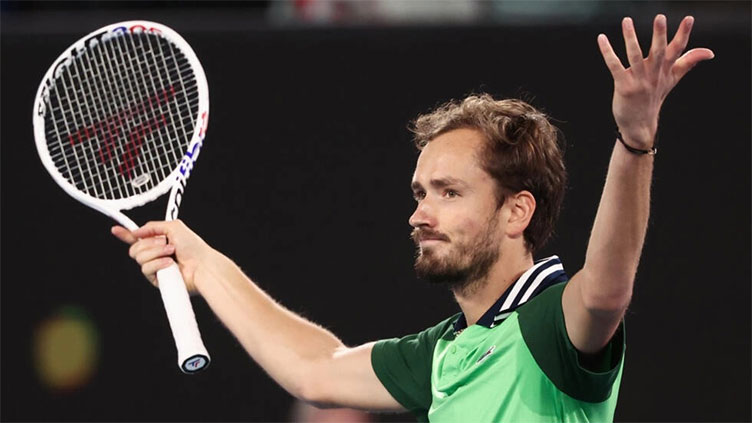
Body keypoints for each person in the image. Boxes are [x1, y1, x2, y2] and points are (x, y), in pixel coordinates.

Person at [112, 15, 713, 422]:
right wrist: (203, 264)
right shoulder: (444, 354)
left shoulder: (552, 327)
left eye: (449, 193)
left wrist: (634, 143)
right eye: (420, 193)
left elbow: (609, 288)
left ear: (516, 212)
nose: (420, 214)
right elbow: (315, 369)